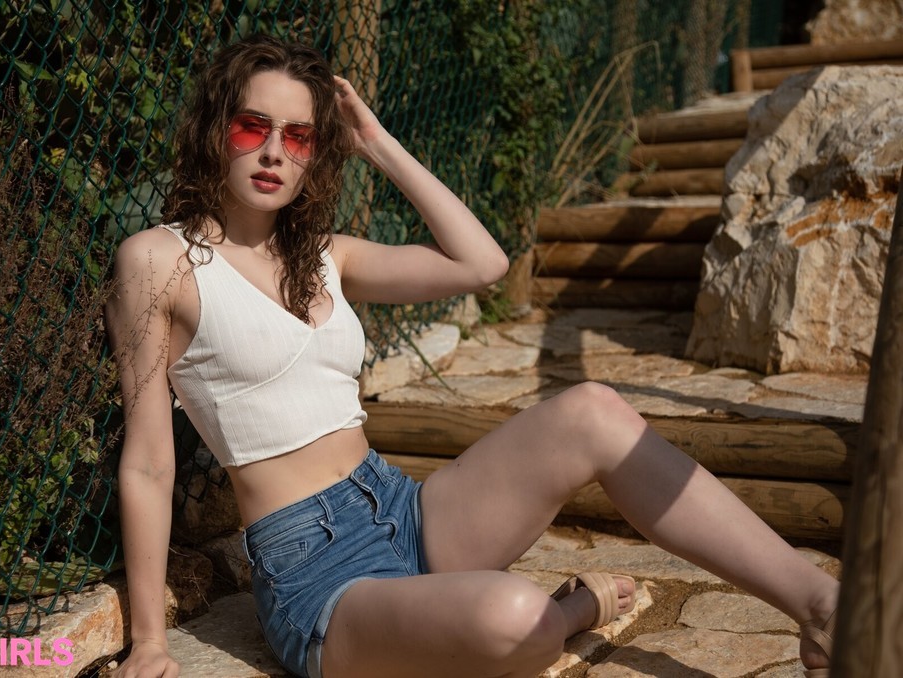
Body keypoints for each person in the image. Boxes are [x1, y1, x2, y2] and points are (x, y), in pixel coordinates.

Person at [105, 34, 838, 678]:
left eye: (299, 137)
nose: (274, 152)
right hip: (317, 578)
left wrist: (378, 142)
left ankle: (821, 607)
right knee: (515, 616)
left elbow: (481, 263)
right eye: (252, 125)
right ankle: (570, 613)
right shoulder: (160, 263)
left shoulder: (325, 255)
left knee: (595, 411)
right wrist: (148, 642)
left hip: (404, 510)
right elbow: (147, 463)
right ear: (215, 129)